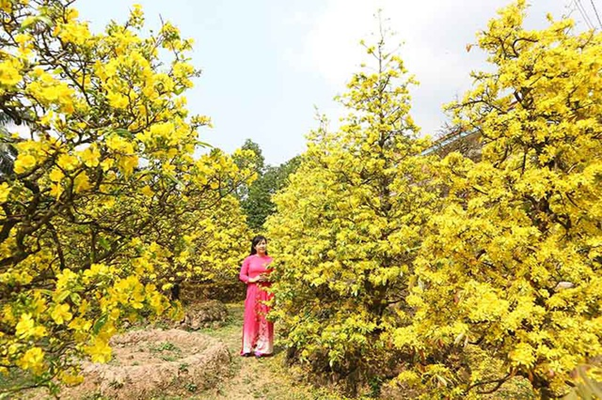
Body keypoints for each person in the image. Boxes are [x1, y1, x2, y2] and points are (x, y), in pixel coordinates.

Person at [239, 235, 274, 357]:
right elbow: (242, 276)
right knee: (251, 316)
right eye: (259, 244)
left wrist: (268, 278)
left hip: (266, 291)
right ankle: (248, 347)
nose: (262, 246)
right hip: (253, 290)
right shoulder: (249, 259)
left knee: (265, 317)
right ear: (254, 246)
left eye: (264, 243)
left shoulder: (271, 260)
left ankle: (263, 348)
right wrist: (253, 279)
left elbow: (276, 276)